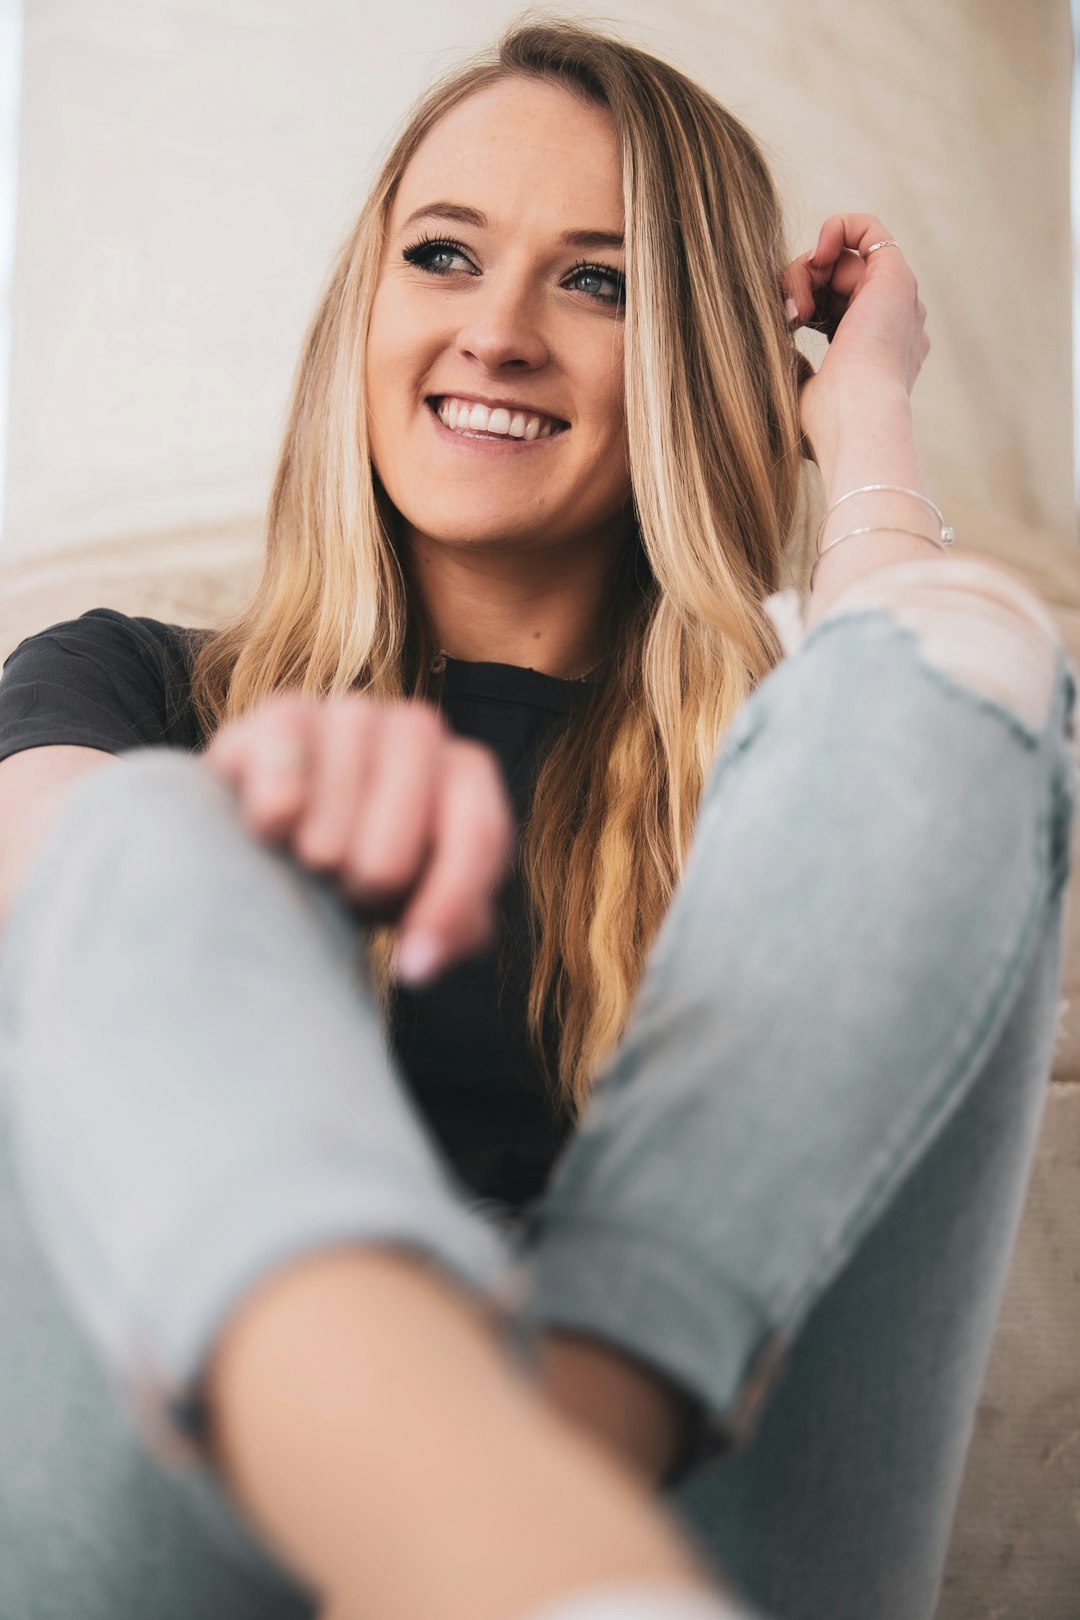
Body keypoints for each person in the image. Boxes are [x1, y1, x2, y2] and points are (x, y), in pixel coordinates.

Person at [0, 16, 1074, 1620]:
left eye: (601, 280)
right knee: (142, 838)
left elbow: (935, 716)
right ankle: (484, 1514)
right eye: (443, 253)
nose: (496, 330)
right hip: (190, 1511)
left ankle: (553, 1445)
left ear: (700, 354)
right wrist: (253, 832)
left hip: (698, 1510)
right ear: (362, 308)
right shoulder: (131, 684)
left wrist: (863, 419)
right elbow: (51, 895)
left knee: (978, 650)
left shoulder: (775, 766)